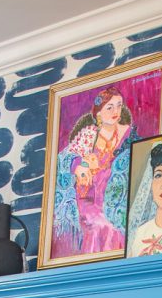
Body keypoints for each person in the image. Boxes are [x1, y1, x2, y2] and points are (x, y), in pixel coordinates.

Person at [52, 86, 138, 258]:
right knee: (100, 225)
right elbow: (66, 158)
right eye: (110, 107)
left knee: (111, 226)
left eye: (119, 105)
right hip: (86, 198)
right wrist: (79, 165)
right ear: (98, 114)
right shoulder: (88, 135)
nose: (116, 111)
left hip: (112, 198)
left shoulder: (127, 136)